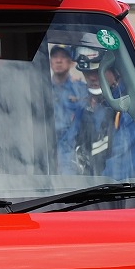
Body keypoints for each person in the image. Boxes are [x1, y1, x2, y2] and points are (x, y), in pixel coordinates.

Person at [73, 46, 135, 179]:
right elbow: (65, 147)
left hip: (108, 194)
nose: (92, 77)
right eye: (87, 72)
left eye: (97, 70)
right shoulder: (83, 108)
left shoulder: (125, 110)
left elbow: (119, 170)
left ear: (115, 71)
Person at [48, 42, 86, 172]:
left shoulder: (80, 90)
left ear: (71, 62)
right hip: (43, 148)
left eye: (63, 57)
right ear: (50, 61)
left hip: (69, 152)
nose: (58, 60)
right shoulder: (40, 88)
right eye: (55, 56)